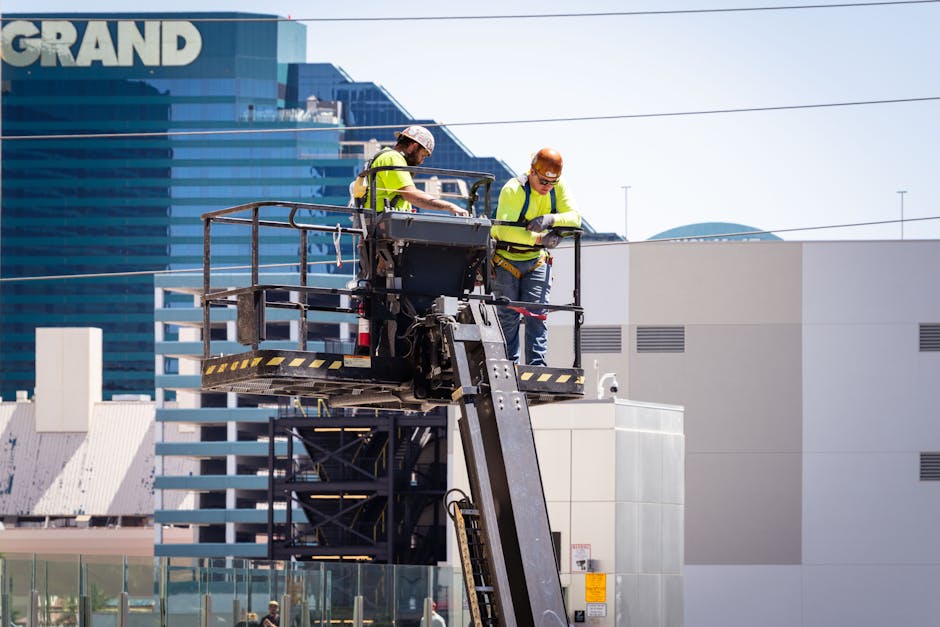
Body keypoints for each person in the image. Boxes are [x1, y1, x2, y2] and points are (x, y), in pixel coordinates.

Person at [490, 148, 581, 366]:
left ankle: (536, 367)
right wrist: (540, 239)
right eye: (542, 182)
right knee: (508, 317)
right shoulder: (514, 189)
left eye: (551, 183)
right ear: (532, 171)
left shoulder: (557, 186)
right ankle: (508, 367)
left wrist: (551, 219)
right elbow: (504, 231)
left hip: (537, 262)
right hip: (506, 259)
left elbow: (575, 218)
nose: (546, 187)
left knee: (537, 315)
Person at [358, 125, 468, 217]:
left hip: (382, 224)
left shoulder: (385, 156)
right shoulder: (393, 158)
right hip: (384, 227)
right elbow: (411, 195)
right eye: (422, 155)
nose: (422, 161)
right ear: (413, 146)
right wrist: (449, 206)